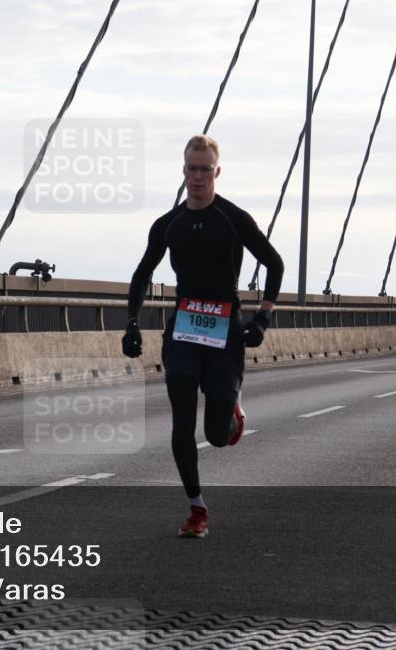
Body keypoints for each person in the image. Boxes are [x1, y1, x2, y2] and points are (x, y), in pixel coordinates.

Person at [122, 134, 284, 538]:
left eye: (205, 170)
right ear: (183, 171)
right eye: (191, 169)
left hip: (226, 328)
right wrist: (132, 323)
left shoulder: (233, 218)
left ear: (217, 172)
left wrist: (262, 318)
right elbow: (143, 273)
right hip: (184, 328)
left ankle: (231, 409)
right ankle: (197, 510)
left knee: (215, 434)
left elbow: (275, 263)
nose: (197, 177)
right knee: (180, 421)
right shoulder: (168, 224)